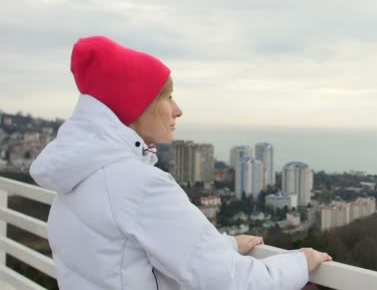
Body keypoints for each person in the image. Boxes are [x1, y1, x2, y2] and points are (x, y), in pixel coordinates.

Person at [30, 36, 332, 289]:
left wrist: (221, 248)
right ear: (138, 105)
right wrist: (299, 263)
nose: (178, 110)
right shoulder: (138, 184)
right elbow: (232, 282)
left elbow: (120, 258)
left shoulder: (79, 176)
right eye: (168, 97)